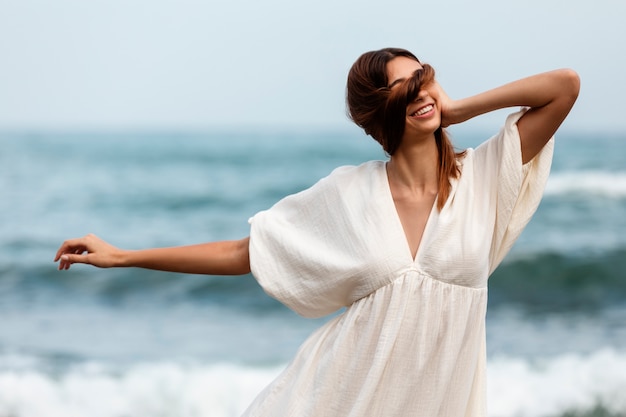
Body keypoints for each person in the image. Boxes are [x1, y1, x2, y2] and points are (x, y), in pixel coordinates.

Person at [55, 47, 580, 416]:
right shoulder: (349, 195)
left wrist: (455, 109)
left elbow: (563, 87)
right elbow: (244, 251)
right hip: (340, 398)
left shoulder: (483, 177)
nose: (421, 91)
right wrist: (124, 256)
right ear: (379, 111)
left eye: (424, 77)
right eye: (403, 88)